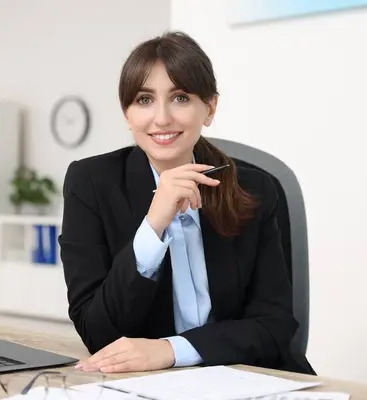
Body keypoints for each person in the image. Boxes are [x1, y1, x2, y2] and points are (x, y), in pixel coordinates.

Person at [58, 31, 315, 375]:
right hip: (149, 386)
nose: (161, 118)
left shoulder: (255, 188)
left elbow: (275, 327)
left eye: (180, 98)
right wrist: (153, 225)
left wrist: (172, 350)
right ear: (127, 114)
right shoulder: (90, 184)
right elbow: (97, 332)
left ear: (209, 108)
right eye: (144, 100)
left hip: (250, 378)